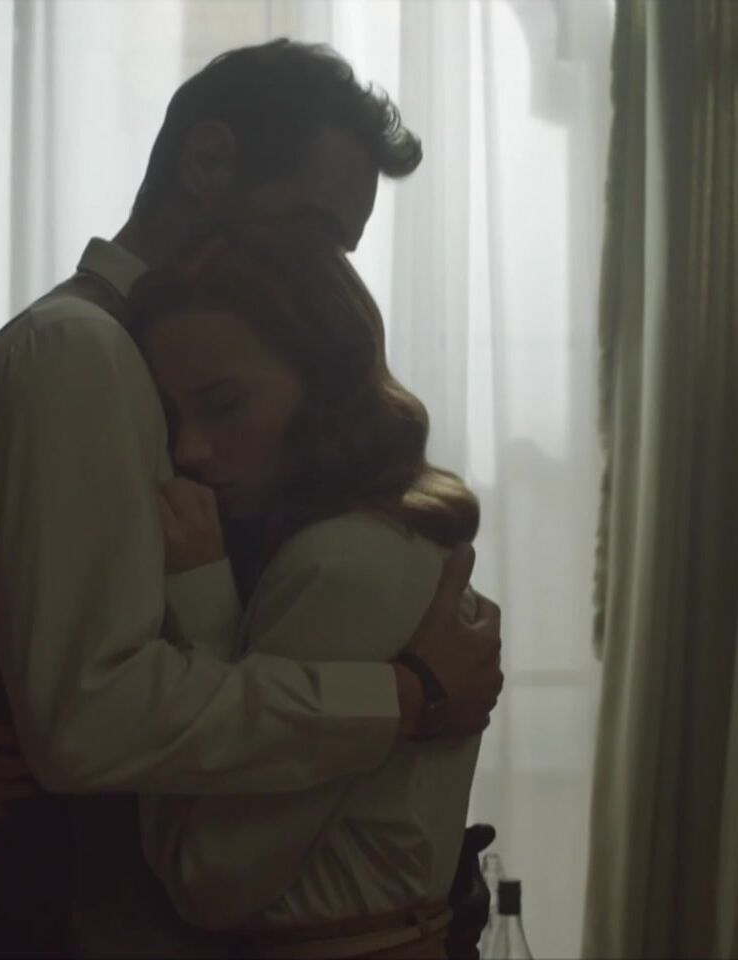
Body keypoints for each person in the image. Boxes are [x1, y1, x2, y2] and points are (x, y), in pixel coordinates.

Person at [0, 40, 505, 958]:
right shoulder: (77, 353)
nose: (325, 269)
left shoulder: (168, 360)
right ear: (207, 162)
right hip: (92, 925)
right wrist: (403, 695)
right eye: (313, 229)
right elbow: (88, 710)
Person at [131, 211, 485, 959]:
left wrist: (199, 606)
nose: (189, 451)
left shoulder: (340, 563)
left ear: (324, 385)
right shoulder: (370, 537)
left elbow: (208, 880)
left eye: (223, 405)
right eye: (172, 417)